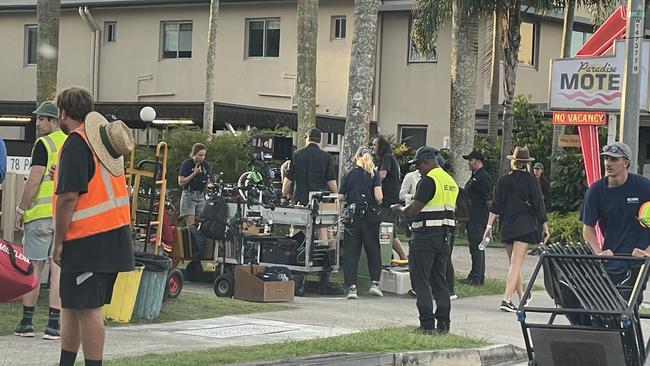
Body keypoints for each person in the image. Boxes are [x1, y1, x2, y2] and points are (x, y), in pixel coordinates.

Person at [52, 87, 135, 366]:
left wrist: (58, 240)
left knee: (87, 309)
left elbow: (68, 198)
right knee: (73, 304)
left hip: (89, 237)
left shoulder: (76, 143)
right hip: (111, 235)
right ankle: (66, 362)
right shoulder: (100, 143)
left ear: (63, 113)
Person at [13, 101, 67, 340]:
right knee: (58, 268)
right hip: (63, 215)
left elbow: (33, 181)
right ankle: (54, 326)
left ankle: (26, 323)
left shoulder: (43, 144)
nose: (38, 123)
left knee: (34, 268)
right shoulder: (69, 143)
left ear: (54, 121)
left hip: (39, 216)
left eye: (42, 119)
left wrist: (20, 208)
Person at [391, 146, 458, 334]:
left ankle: (427, 324)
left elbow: (413, 210)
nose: (418, 169)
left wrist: (399, 210)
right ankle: (444, 324)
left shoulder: (429, 181)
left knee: (420, 280)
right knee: (439, 279)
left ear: (428, 161)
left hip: (425, 236)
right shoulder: (449, 180)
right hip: (445, 237)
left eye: (419, 165)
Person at [580, 142, 650, 302]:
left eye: (613, 159)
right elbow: (588, 228)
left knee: (629, 304)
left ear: (626, 162)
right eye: (606, 159)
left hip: (639, 260)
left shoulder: (644, 187)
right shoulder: (596, 190)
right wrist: (599, 253)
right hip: (611, 258)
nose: (608, 163)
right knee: (605, 304)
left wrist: (647, 253)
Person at [484, 147, 549, 312]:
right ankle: (506, 299)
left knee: (513, 264)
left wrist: (489, 226)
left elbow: (495, 205)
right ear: (527, 163)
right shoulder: (531, 180)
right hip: (525, 224)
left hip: (507, 225)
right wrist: (544, 225)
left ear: (512, 161)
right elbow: (539, 205)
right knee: (516, 263)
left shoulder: (503, 180)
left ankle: (523, 295)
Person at [339, 147, 384, 299]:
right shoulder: (374, 174)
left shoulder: (349, 174)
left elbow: (340, 197)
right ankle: (375, 283)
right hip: (370, 217)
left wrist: (352, 197)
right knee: (373, 250)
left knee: (351, 252)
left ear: (356, 156)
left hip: (353, 217)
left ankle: (351, 287)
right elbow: (379, 197)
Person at [282, 128, 337, 244]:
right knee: (321, 228)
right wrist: (336, 196)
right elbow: (331, 181)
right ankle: (324, 256)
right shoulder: (326, 157)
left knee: (297, 229)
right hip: (319, 201)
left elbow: (289, 179)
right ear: (320, 141)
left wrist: (283, 195)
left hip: (300, 199)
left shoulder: (297, 154)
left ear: (307, 138)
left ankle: (294, 254)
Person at [461, 150, 492, 286]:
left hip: (479, 217)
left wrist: (490, 219)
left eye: (471, 160)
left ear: (478, 161)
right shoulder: (475, 176)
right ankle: (474, 275)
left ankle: (477, 278)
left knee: (477, 247)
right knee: (474, 246)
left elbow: (489, 199)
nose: (469, 162)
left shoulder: (483, 177)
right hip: (472, 216)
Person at [373, 136, 407, 260]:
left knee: (387, 231)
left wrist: (370, 181)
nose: (373, 147)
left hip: (388, 201)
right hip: (390, 200)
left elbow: (382, 175)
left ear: (381, 146)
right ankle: (394, 256)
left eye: (374, 145)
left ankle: (401, 256)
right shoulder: (389, 159)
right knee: (388, 231)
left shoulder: (386, 158)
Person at [178, 143, 211, 226]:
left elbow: (208, 180)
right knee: (191, 225)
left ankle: (200, 238)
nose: (202, 158)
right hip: (189, 194)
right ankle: (191, 238)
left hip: (201, 195)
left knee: (203, 223)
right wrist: (194, 173)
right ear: (194, 154)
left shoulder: (206, 165)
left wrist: (209, 185)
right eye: (199, 155)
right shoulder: (187, 164)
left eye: (203, 155)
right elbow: (181, 182)